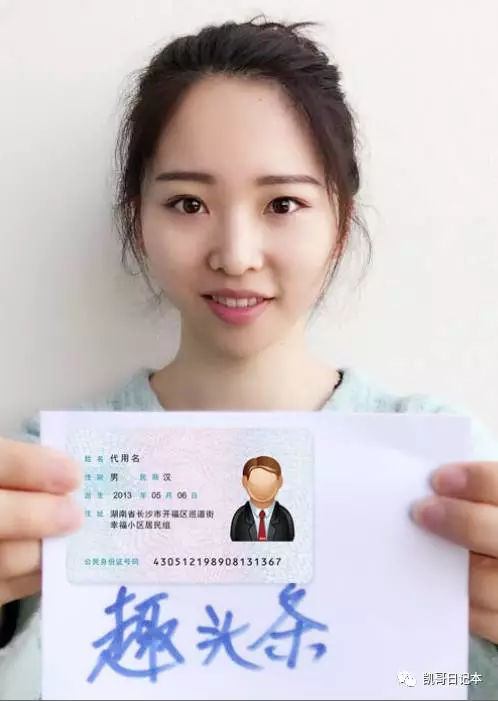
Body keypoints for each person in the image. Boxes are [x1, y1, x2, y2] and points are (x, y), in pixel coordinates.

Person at [0, 16, 497, 700]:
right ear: (139, 218)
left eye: (283, 203)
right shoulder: (44, 476)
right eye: (188, 203)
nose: (235, 255)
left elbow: (455, 680)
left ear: (340, 221)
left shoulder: (447, 468)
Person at [230, 456, 295, 541]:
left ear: (279, 482)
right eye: (257, 480)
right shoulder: (239, 517)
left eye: (268, 480)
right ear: (245, 482)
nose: (262, 486)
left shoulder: (285, 517)